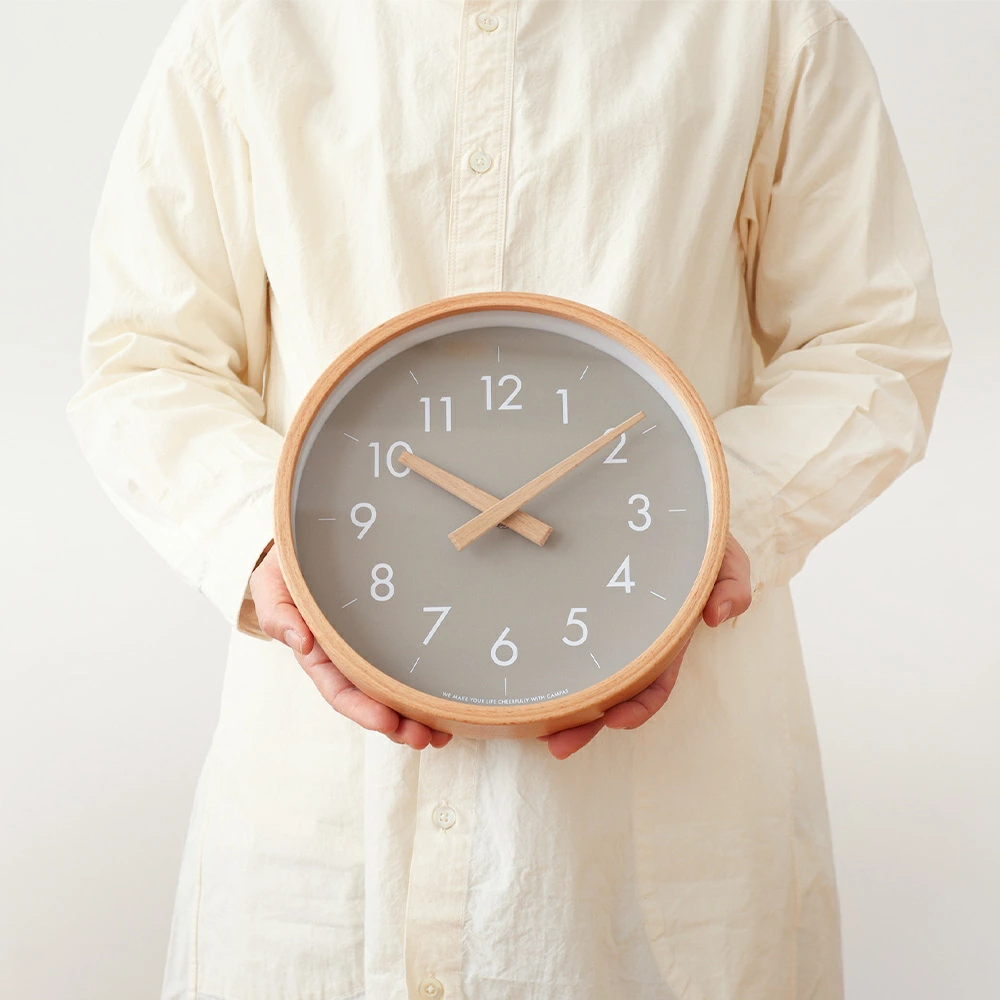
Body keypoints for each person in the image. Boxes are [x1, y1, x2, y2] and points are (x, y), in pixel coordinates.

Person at [66, 2, 951, 998]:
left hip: (658, 826)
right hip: (319, 826)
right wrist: (269, 548)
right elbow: (145, 359)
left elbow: (873, 342)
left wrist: (703, 529)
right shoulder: (243, 29)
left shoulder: (766, 26)